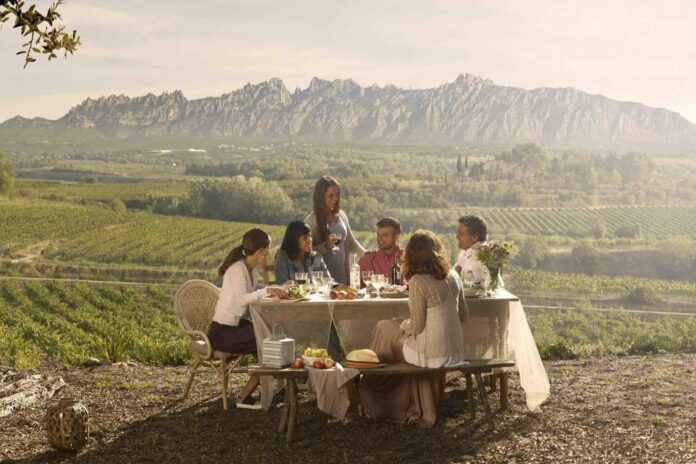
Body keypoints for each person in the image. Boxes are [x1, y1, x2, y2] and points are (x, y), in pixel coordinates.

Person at [358, 230, 468, 426]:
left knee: (384, 328)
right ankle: (403, 397)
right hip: (456, 354)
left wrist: (402, 323)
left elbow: (416, 327)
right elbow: (464, 316)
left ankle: (375, 396)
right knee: (391, 329)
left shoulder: (418, 281)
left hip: (431, 356)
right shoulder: (454, 276)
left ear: (411, 255)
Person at [207, 228, 287, 409]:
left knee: (271, 338)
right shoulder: (238, 270)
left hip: (234, 328)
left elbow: (253, 295)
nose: (268, 252)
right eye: (268, 248)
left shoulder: (249, 269)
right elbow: (242, 299)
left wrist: (278, 289)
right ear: (261, 250)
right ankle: (245, 396)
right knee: (270, 341)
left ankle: (271, 385)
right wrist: (266, 290)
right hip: (223, 333)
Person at [304, 176, 365, 285]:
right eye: (331, 195)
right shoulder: (311, 221)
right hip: (322, 283)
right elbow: (305, 253)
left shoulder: (341, 215)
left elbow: (351, 243)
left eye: (337, 195)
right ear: (320, 196)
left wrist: (367, 254)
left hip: (343, 279)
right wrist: (325, 246)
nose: (335, 198)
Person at [358, 217, 403, 285]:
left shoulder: (407, 260)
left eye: (385, 235)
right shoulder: (366, 261)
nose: (379, 239)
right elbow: (355, 289)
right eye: (378, 234)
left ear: (396, 237)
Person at [454, 214, 489, 286]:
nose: (456, 237)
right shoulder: (465, 252)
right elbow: (454, 275)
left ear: (474, 237)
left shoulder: (483, 256)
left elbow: (488, 285)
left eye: (461, 234)